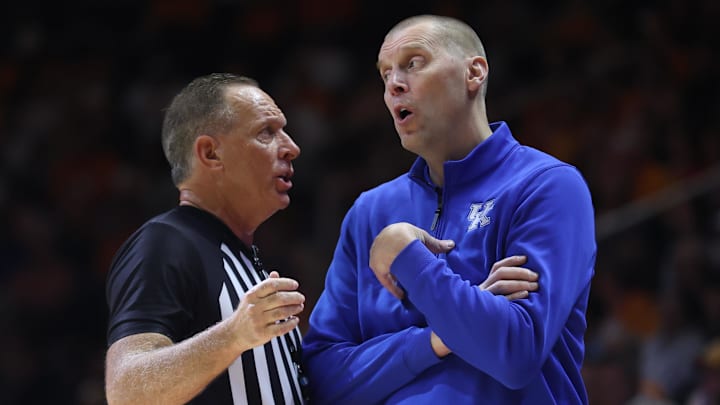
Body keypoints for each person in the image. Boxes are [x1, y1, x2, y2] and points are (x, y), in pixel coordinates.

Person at [302, 14, 596, 404]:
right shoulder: (369, 212)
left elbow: (514, 352)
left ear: (473, 73)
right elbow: (321, 379)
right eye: (385, 74)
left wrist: (408, 253)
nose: (394, 84)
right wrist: (439, 338)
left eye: (414, 63)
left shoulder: (547, 186)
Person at [104, 73, 309, 404]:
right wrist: (234, 335)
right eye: (266, 133)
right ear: (211, 153)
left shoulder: (243, 258)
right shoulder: (166, 241)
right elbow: (127, 391)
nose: (292, 148)